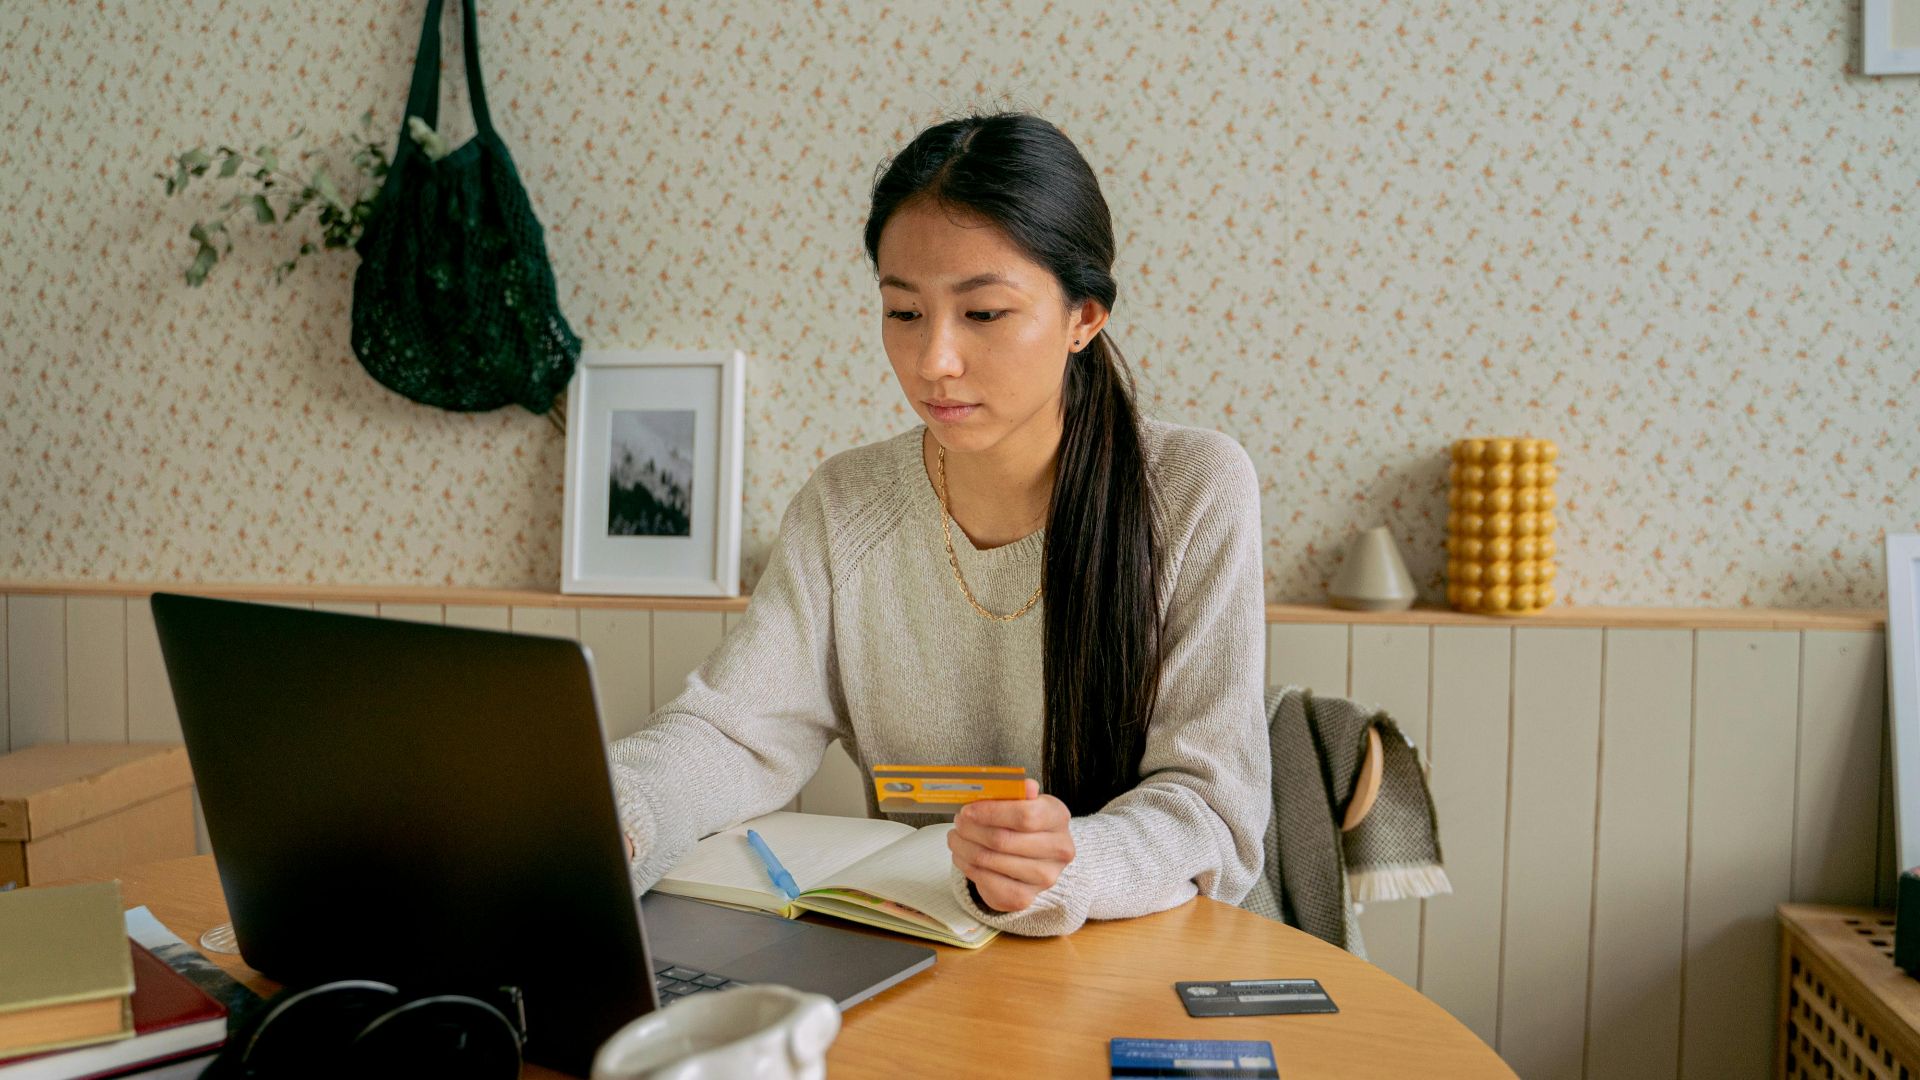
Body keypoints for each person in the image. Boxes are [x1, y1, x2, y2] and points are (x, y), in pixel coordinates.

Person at [609, 112, 1268, 936]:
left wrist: (1067, 866)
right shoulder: (845, 503)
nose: (934, 362)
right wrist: (614, 814)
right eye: (905, 313)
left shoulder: (1193, 488)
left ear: (1084, 317)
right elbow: (736, 734)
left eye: (983, 314)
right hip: (933, 955)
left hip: (1148, 954)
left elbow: (1210, 807)